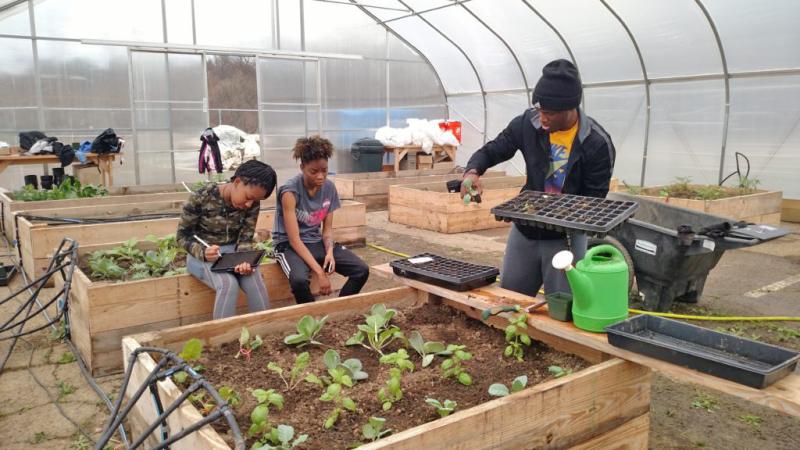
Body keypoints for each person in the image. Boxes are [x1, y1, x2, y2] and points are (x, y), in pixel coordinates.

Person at [462, 59, 616, 297]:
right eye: (540, 110)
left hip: (565, 240)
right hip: (525, 231)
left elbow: (593, 200)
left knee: (562, 307)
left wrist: (558, 214)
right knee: (511, 300)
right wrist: (472, 172)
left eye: (550, 113)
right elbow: (494, 149)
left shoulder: (595, 144)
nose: (543, 118)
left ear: (569, 109)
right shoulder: (528, 123)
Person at [273, 136, 370, 303]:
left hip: (315, 241)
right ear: (302, 167)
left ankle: (338, 311)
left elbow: (326, 231)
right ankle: (311, 322)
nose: (320, 176)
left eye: (324, 170)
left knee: (361, 270)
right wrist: (320, 272)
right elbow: (294, 240)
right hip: (288, 245)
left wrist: (330, 253)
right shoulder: (290, 192)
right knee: (299, 281)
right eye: (314, 171)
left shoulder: (329, 188)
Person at [177, 160, 277, 319]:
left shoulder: (252, 204)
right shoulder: (202, 197)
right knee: (228, 284)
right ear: (237, 182)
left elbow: (245, 237)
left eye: (255, 201)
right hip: (203, 257)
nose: (249, 204)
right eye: (248, 197)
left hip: (231, 256)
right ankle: (223, 340)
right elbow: (183, 236)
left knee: (254, 280)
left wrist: (245, 260)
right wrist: (203, 252)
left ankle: (263, 332)